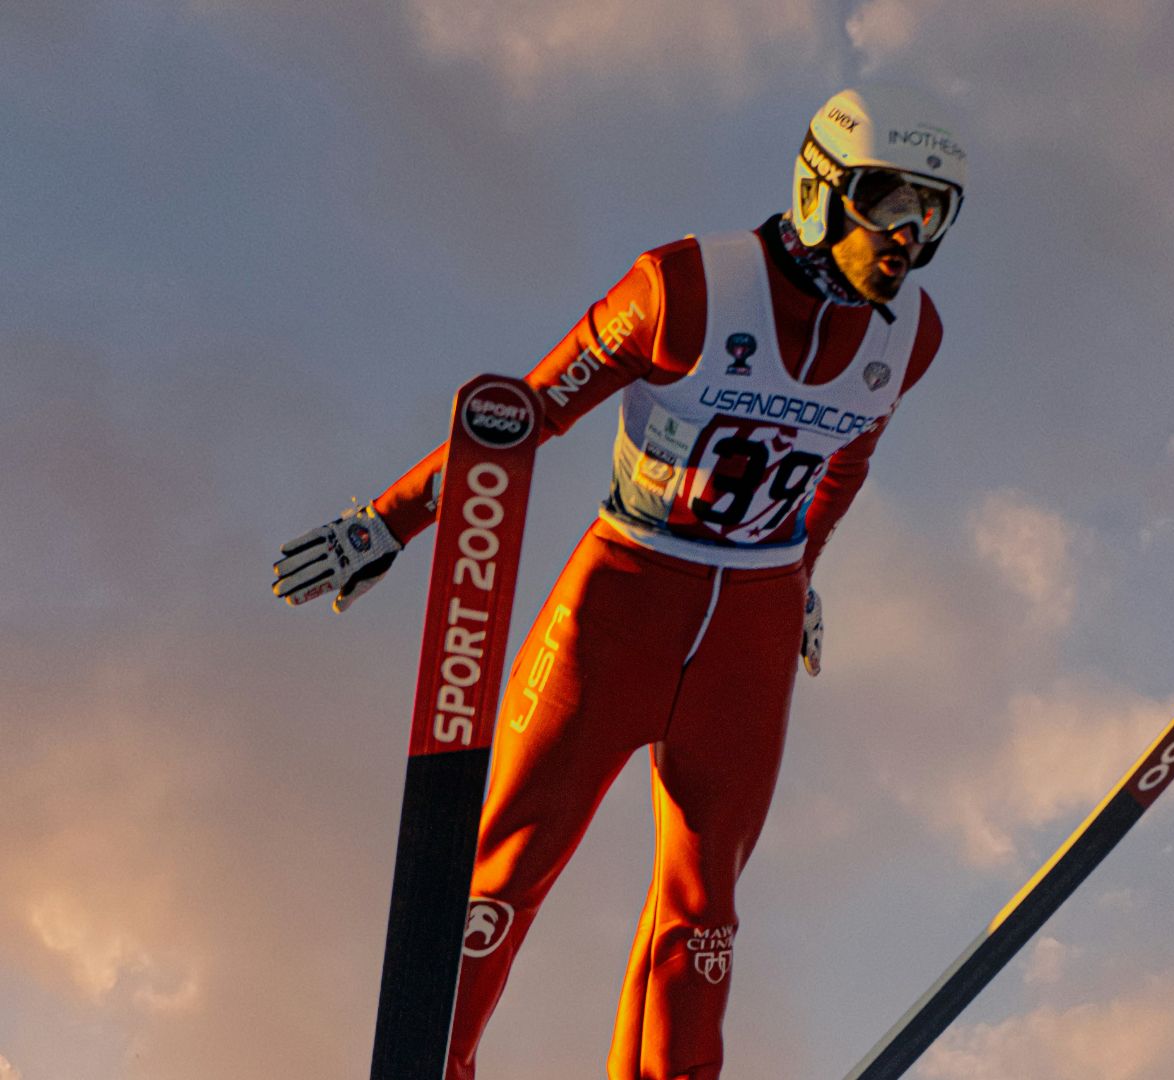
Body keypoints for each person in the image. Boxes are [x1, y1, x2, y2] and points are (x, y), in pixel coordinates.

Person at [271, 86, 967, 1080]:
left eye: (933, 212)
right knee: (506, 867)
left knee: (705, 910)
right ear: (820, 190)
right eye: (888, 200)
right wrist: (389, 522)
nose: (908, 235)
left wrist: (801, 569)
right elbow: (525, 417)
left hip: (751, 626)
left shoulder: (913, 336)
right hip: (625, 598)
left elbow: (845, 462)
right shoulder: (683, 287)